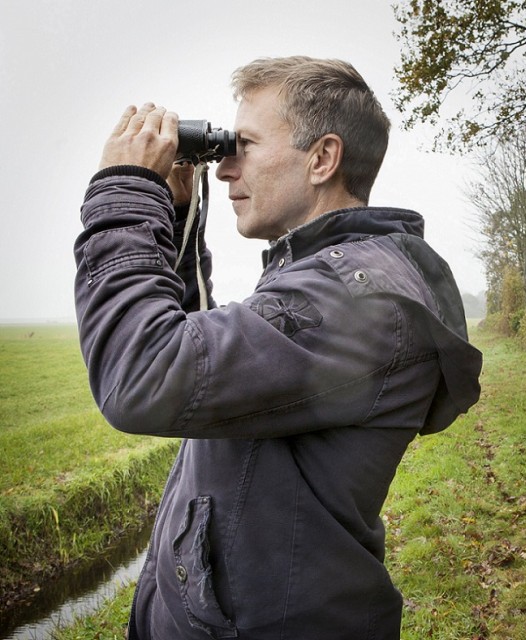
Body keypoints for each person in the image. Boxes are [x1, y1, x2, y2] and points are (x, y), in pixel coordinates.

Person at [73, 56, 482, 639]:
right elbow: (208, 369)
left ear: (322, 158)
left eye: (243, 145)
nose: (224, 169)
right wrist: (177, 216)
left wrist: (124, 193)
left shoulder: (350, 298)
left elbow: (143, 375)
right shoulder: (331, 276)